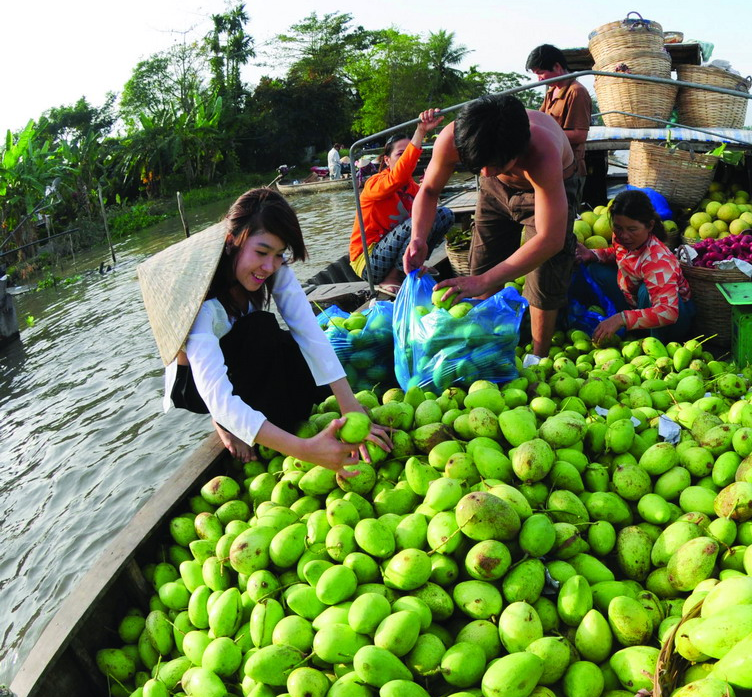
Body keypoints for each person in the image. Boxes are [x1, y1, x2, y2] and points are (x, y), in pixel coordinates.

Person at [138, 188, 389, 472]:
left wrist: (349, 404)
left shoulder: (272, 265)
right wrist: (306, 450)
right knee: (262, 330)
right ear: (233, 241)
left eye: (279, 253)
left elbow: (307, 329)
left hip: (239, 351)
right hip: (197, 383)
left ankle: (247, 418)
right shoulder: (203, 306)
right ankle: (222, 423)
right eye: (261, 252)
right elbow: (218, 396)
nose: (269, 266)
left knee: (300, 369)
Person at [403, 94, 578, 359]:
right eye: (476, 165)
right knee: (482, 263)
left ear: (518, 151)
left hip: (548, 188)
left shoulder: (541, 151)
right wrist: (418, 237)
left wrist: (482, 281)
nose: (484, 171)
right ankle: (486, 345)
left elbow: (550, 239)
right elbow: (428, 190)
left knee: (543, 276)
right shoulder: (456, 138)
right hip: (495, 192)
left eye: (494, 164)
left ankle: (537, 357)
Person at [349, 109, 454, 292]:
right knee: (415, 222)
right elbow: (398, 177)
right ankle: (392, 276)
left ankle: (410, 267)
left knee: (442, 215)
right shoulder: (375, 183)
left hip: (396, 253)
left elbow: (429, 218)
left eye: (410, 154)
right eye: (401, 155)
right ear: (387, 160)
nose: (408, 159)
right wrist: (420, 132)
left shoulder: (413, 189)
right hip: (370, 261)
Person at [574, 189, 694, 346]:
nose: (624, 235)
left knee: (646, 292)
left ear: (650, 226)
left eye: (632, 229)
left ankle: (655, 342)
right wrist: (593, 254)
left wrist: (622, 318)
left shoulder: (658, 260)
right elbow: (619, 254)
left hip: (674, 320)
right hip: (634, 302)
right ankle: (627, 330)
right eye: (618, 228)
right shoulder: (623, 238)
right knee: (596, 269)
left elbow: (669, 312)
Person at [527, 44, 592, 198]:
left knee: (566, 216)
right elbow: (540, 120)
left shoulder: (576, 92)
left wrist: (546, 135)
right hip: (552, 164)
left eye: (541, 73)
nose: (539, 79)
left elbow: (580, 135)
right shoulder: (551, 91)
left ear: (557, 67)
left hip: (570, 167)